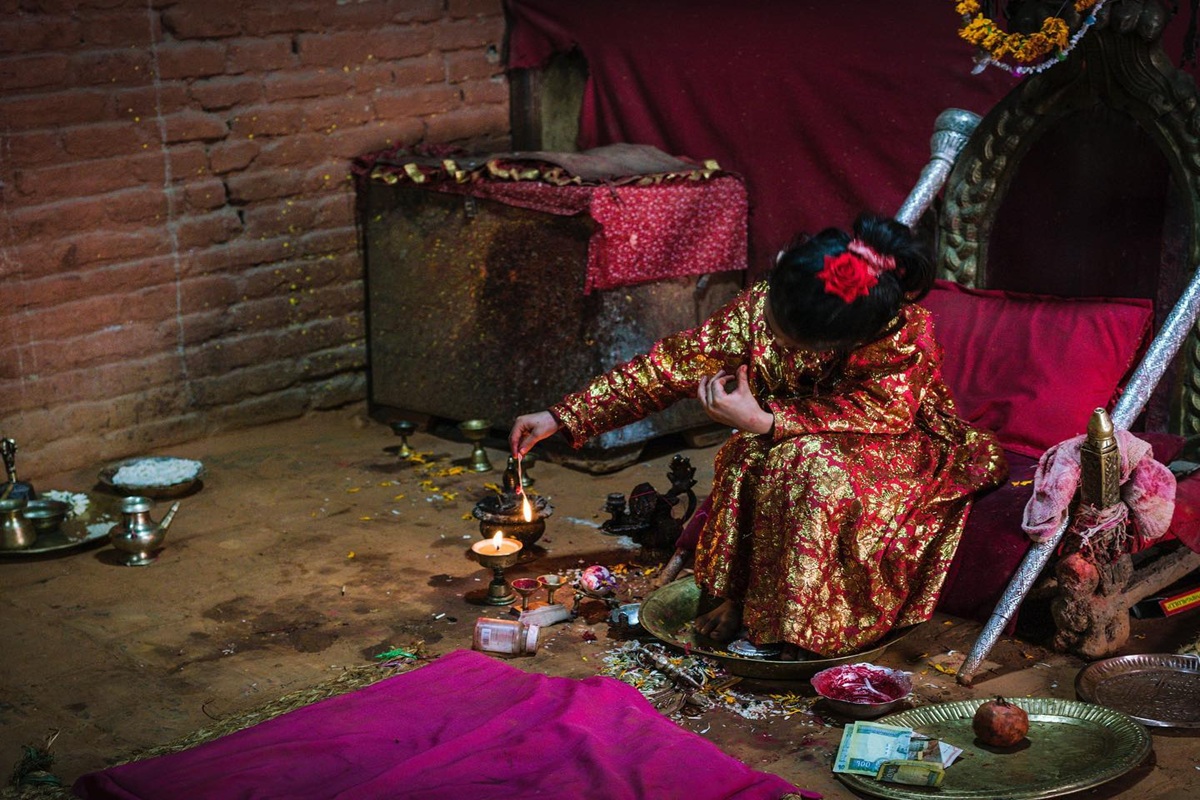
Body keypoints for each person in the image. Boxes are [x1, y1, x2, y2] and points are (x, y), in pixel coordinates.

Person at [509, 214, 1007, 658]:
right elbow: (673, 365)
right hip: (783, 434)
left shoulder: (898, 332)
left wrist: (768, 421)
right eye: (769, 322)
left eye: (787, 340)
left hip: (893, 442)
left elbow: (888, 412)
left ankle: (804, 626)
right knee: (749, 455)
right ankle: (742, 598)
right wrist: (564, 415)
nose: (767, 335)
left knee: (809, 465)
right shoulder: (762, 305)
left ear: (842, 342)